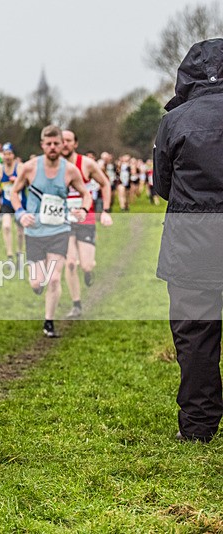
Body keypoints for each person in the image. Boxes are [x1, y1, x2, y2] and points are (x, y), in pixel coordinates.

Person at [154, 39, 223, 443]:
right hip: (193, 240)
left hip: (192, 242)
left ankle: (198, 426)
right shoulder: (176, 120)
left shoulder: (175, 121)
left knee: (196, 335)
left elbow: (162, 185)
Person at [10, 126, 91, 338]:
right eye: (49, 144)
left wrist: (83, 209)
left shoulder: (70, 170)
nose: (54, 147)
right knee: (37, 282)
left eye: (57, 143)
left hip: (59, 231)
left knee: (54, 278)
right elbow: (14, 192)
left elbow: (86, 193)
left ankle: (49, 322)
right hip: (35, 232)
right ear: (42, 145)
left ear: (62, 144)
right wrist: (20, 213)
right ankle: (38, 287)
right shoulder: (29, 168)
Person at [60, 130, 113, 319]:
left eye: (68, 141)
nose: (64, 144)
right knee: (70, 263)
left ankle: (89, 272)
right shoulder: (53, 166)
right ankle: (76, 304)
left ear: (75, 144)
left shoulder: (87, 164)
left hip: (86, 220)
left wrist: (105, 211)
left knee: (87, 265)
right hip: (64, 222)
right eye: (61, 141)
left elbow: (105, 184)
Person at [0, 142, 25, 263]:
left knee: (20, 232)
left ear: (13, 155)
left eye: (9, 154)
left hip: (20, 203)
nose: (7, 157)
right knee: (6, 226)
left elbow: (28, 180)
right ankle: (9, 255)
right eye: (5, 154)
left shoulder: (20, 167)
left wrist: (17, 181)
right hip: (6, 202)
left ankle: (19, 252)